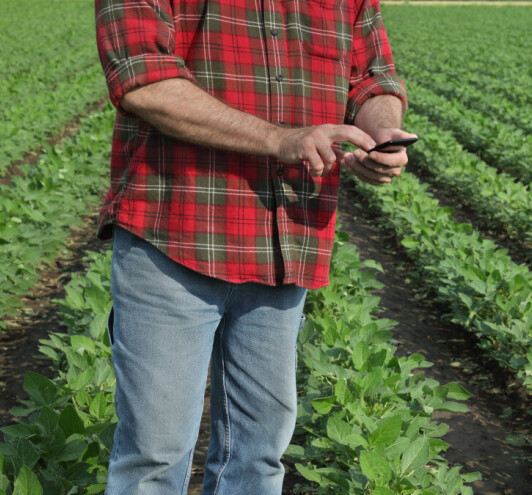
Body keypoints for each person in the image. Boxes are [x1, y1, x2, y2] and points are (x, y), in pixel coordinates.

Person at [94, 0, 413, 493]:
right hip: (175, 231)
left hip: (288, 239)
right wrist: (281, 139)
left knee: (258, 456)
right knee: (154, 456)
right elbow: (143, 80)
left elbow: (372, 78)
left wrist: (381, 131)